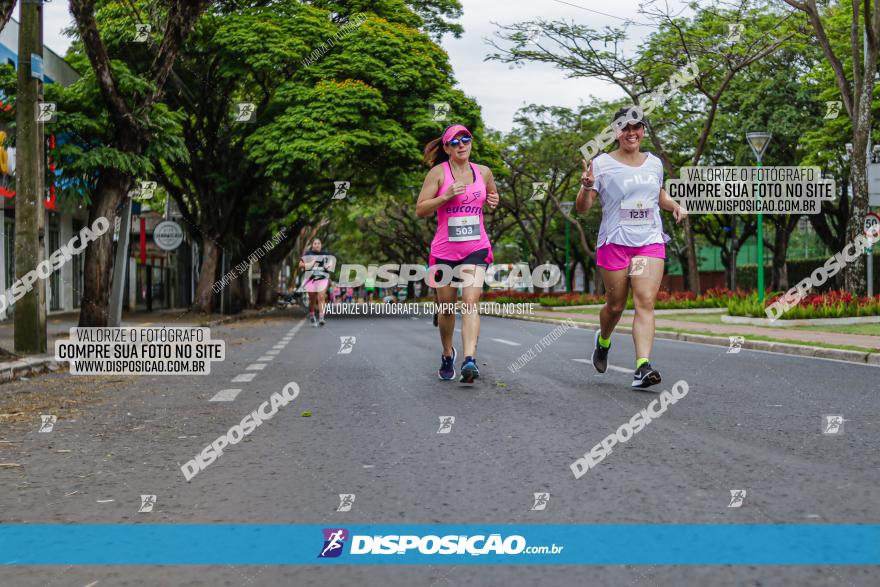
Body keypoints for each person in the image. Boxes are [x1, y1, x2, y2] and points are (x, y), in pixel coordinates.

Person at [576, 107, 688, 388]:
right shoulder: (601, 164)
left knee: (645, 301)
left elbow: (656, 194)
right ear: (616, 132)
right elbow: (583, 208)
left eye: (636, 127)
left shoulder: (654, 163)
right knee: (615, 306)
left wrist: (674, 205)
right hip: (614, 244)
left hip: (648, 242)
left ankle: (642, 366)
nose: (631, 133)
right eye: (625, 128)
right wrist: (586, 187)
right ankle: (603, 342)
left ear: (643, 131)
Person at [416, 124, 499, 383]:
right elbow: (420, 209)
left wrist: (494, 200)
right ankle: (447, 353)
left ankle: (470, 359)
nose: (461, 145)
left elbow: (492, 195)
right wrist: (445, 197)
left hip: (476, 247)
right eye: (455, 142)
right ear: (447, 148)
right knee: (448, 309)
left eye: (466, 139)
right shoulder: (438, 174)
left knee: (470, 301)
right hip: (444, 251)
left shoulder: (483, 172)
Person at [299, 238, 335, 326]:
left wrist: (328, 265)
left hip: (323, 279)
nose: (317, 245)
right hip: (311, 279)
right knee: (312, 300)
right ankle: (312, 313)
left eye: (319, 243)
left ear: (321, 245)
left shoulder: (326, 254)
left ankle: (321, 317)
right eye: (315, 243)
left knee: (321, 296)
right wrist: (309, 264)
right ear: (312, 245)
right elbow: (300, 265)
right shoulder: (308, 254)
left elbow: (331, 264)